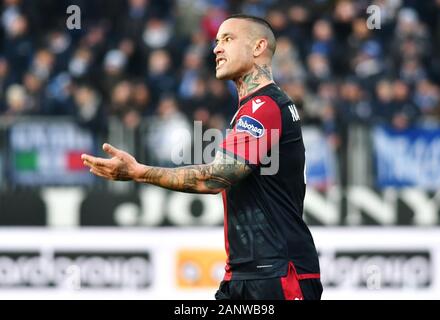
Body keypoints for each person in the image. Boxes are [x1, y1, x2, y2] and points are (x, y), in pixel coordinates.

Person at [81, 14, 322, 300]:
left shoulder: (264, 105)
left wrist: (137, 172)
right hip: (248, 272)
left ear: (258, 47)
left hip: (278, 273)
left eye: (228, 39)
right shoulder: (256, 107)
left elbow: (215, 178)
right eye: (217, 41)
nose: (216, 49)